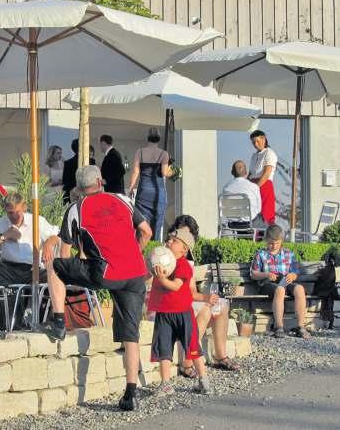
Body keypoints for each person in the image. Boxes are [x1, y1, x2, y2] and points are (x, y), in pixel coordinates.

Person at [44, 165, 152, 411]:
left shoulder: (76, 209)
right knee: (131, 335)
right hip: (135, 273)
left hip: (104, 272)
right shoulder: (123, 200)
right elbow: (146, 231)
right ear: (101, 181)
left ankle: (59, 322)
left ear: (79, 188)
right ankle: (130, 393)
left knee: (55, 265)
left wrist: (72, 274)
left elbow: (65, 252)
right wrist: (135, 252)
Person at [168, 216, 239, 376]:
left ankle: (220, 356)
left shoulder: (187, 257)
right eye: (181, 234)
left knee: (222, 304)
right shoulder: (167, 254)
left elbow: (191, 289)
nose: (184, 238)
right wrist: (204, 299)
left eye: (188, 235)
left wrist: (206, 298)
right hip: (171, 304)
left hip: (186, 300)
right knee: (205, 309)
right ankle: (187, 361)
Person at [149, 227, 211, 396]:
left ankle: (203, 380)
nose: (169, 242)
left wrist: (162, 279)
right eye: (169, 239)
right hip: (164, 312)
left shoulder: (183, 265)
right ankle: (165, 383)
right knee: (164, 348)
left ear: (184, 249)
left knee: (192, 346)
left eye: (174, 241)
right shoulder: (161, 262)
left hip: (183, 313)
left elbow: (176, 286)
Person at [0, 192, 59, 326]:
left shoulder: (37, 221)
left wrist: (48, 244)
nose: (14, 216)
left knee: (54, 275)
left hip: (32, 269)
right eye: (10, 213)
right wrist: (5, 235)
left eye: (18, 212)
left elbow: (56, 235)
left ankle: (48, 318)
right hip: (8, 268)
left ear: (24, 208)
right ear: (5, 210)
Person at [250, 224, 310, 339]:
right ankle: (279, 327)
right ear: (266, 240)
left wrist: (293, 275)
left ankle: (301, 326)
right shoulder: (261, 254)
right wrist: (266, 274)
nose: (274, 246)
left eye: (277, 243)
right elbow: (253, 274)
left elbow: (295, 272)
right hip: (267, 284)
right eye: (271, 243)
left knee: (299, 289)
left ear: (281, 240)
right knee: (280, 289)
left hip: (285, 281)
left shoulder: (288, 254)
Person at [128, 127, 173, 241]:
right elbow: (165, 173)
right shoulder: (164, 154)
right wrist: (174, 171)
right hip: (158, 194)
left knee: (142, 226)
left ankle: (141, 248)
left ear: (148, 138)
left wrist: (131, 188)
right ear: (159, 138)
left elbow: (135, 172)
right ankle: (155, 248)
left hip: (143, 193)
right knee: (156, 225)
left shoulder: (140, 152)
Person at [248, 130, 277, 225]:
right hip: (253, 185)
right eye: (253, 142)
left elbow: (266, 174)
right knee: (253, 214)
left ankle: (267, 233)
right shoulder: (254, 156)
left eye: (257, 141)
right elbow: (250, 173)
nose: (255, 144)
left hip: (264, 185)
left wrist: (255, 188)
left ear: (263, 139)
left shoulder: (269, 153)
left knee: (265, 214)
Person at [222, 160, 262, 224]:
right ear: (246, 172)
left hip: (232, 223)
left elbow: (224, 208)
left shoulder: (226, 188)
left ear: (232, 172)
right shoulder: (254, 187)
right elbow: (259, 209)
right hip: (249, 223)